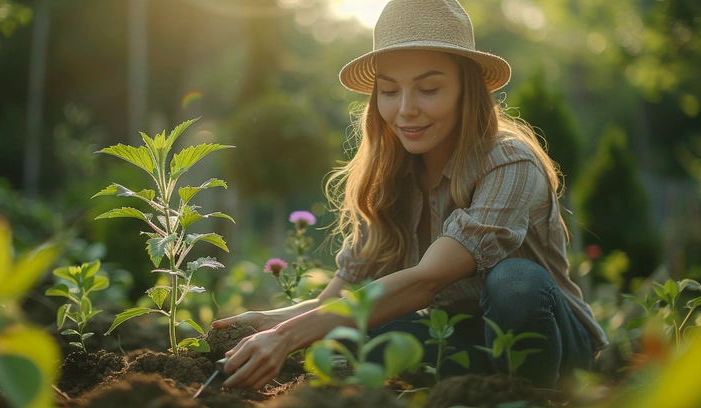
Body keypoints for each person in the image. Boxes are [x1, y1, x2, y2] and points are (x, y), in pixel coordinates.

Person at [212, 0, 608, 391]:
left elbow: (427, 280)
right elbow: (342, 297)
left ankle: (531, 397)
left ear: (466, 90)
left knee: (514, 281)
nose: (405, 110)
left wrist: (286, 338)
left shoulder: (508, 163)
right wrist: (272, 323)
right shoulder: (389, 176)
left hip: (554, 348)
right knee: (348, 332)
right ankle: (470, 390)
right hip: (462, 338)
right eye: (389, 91)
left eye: (428, 89)